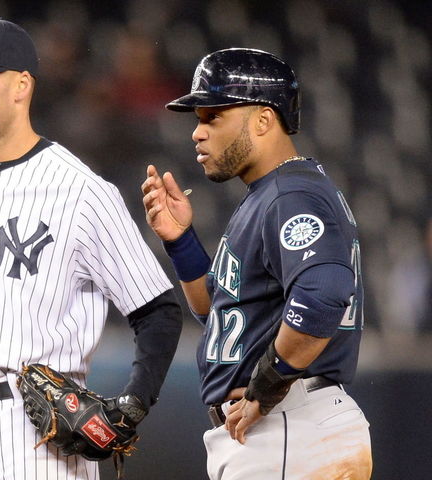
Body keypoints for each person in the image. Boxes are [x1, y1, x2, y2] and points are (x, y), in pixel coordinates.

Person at [0, 18, 182, 480]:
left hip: (35, 436)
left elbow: (157, 310)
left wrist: (133, 404)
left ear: (21, 86)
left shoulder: (80, 192)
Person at [141, 48, 372, 479]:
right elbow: (222, 312)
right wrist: (182, 243)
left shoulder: (291, 195)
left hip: (289, 424)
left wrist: (267, 387)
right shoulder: (273, 193)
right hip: (284, 427)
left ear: (263, 120)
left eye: (213, 117)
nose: (197, 132)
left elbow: (323, 294)